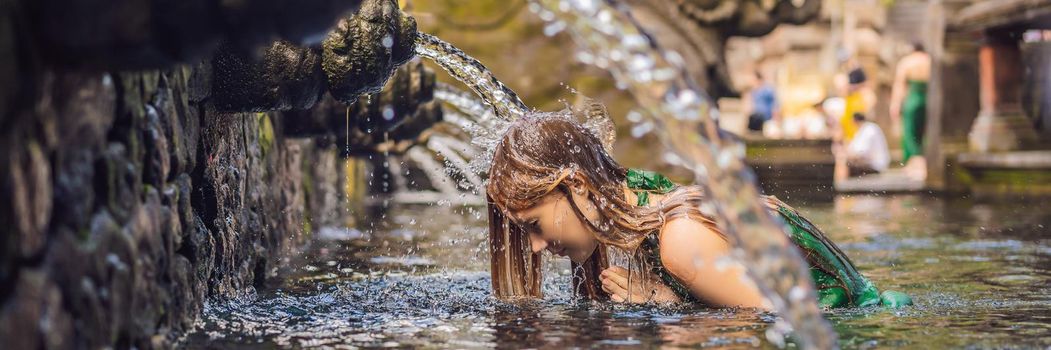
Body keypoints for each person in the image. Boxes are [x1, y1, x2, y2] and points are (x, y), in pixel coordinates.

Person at [485, 106, 911, 309]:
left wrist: (667, 303)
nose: (536, 246)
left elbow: (777, 327)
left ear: (577, 183)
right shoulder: (638, 199)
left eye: (534, 225)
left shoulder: (679, 240)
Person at [889, 42, 930, 179]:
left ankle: (914, 166)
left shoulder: (907, 62)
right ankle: (924, 165)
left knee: (910, 131)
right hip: (929, 98)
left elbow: (900, 84)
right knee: (926, 132)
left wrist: (895, 104)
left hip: (913, 98)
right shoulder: (929, 60)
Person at [843, 113, 890, 177]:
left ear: (854, 121)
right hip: (869, 164)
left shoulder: (869, 129)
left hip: (875, 165)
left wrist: (848, 155)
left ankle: (839, 185)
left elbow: (862, 153)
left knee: (843, 165)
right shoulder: (863, 130)